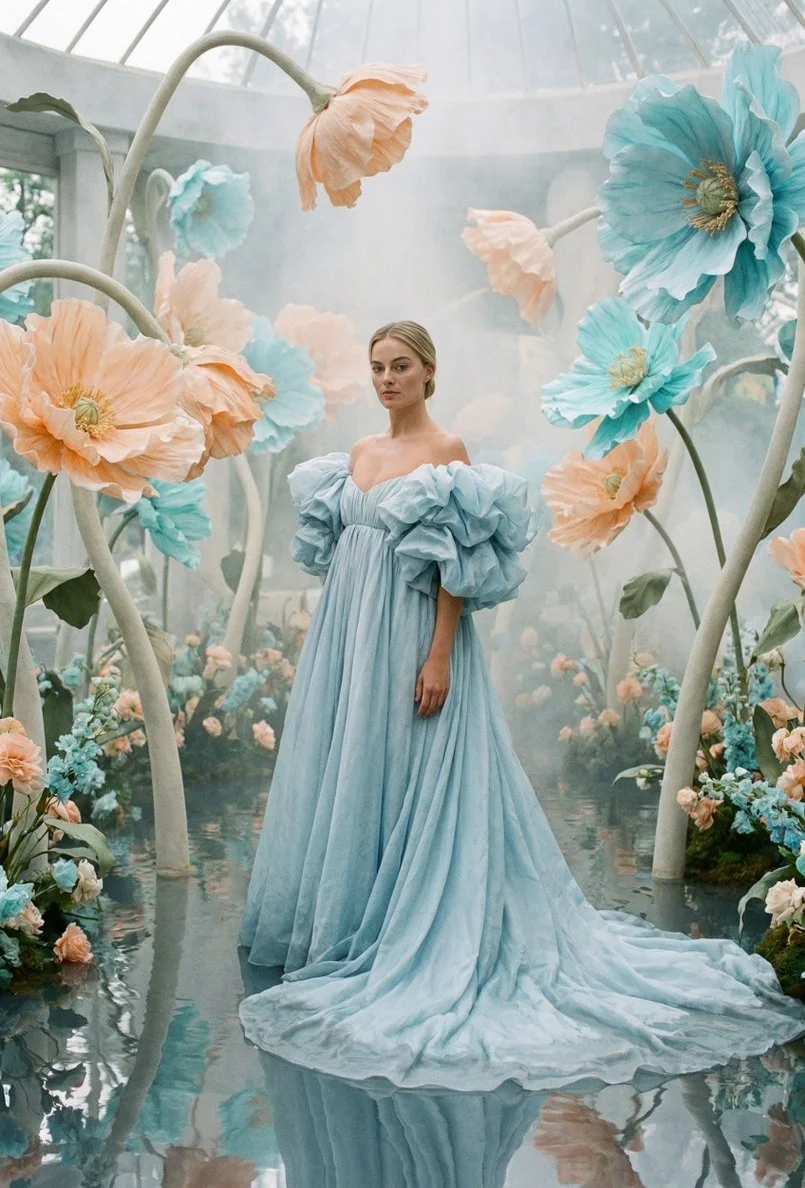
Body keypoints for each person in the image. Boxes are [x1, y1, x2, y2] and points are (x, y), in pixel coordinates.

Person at [239, 320, 805, 1093]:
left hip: (414, 640)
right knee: (356, 767)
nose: (386, 379)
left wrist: (438, 653)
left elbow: (454, 568)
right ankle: (347, 921)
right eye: (376, 368)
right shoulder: (359, 460)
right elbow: (347, 557)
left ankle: (421, 927)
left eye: (399, 366)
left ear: (428, 372)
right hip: (353, 642)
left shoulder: (447, 456)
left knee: (414, 771)